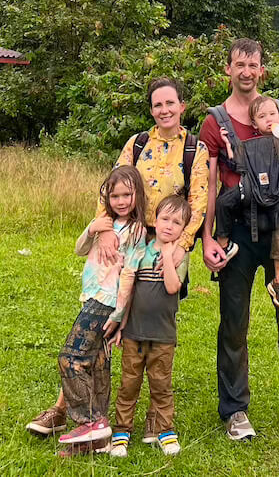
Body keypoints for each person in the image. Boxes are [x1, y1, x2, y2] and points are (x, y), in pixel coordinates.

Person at [26, 76, 208, 440]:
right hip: (122, 244)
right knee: (110, 327)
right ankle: (71, 411)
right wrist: (105, 227)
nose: (164, 110)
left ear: (182, 106)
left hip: (160, 251)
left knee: (150, 330)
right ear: (151, 109)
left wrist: (177, 250)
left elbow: (198, 203)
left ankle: (154, 418)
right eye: (157, 104)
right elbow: (112, 185)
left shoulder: (194, 150)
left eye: (170, 103)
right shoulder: (137, 143)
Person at [200, 38, 279, 441]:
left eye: (253, 64)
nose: (246, 71)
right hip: (237, 228)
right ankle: (235, 410)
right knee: (234, 322)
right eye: (239, 64)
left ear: (261, 70)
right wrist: (207, 237)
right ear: (228, 69)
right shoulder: (214, 122)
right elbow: (209, 183)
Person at [55, 166, 147, 454]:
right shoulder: (103, 223)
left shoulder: (137, 231)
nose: (120, 201)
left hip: (105, 302)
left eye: (126, 195)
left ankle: (88, 420)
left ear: (137, 195)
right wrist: (92, 228)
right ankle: (98, 439)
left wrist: (120, 315)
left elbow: (130, 274)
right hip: (91, 297)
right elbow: (80, 248)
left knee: (70, 359)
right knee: (96, 365)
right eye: (114, 195)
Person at [110, 194, 192, 458]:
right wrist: (121, 324)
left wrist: (168, 255)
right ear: (155, 220)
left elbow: (172, 287)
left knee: (161, 385)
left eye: (176, 222)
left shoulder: (181, 256)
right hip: (134, 333)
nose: (169, 226)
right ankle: (122, 431)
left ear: (183, 228)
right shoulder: (140, 251)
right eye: (165, 219)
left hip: (163, 335)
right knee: (128, 384)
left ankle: (164, 430)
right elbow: (129, 289)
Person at [215, 94, 279, 310]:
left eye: (273, 114)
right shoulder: (247, 142)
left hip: (277, 196)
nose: (269, 119)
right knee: (223, 203)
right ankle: (223, 244)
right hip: (249, 194)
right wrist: (227, 144)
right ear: (254, 124)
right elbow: (234, 162)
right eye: (262, 116)